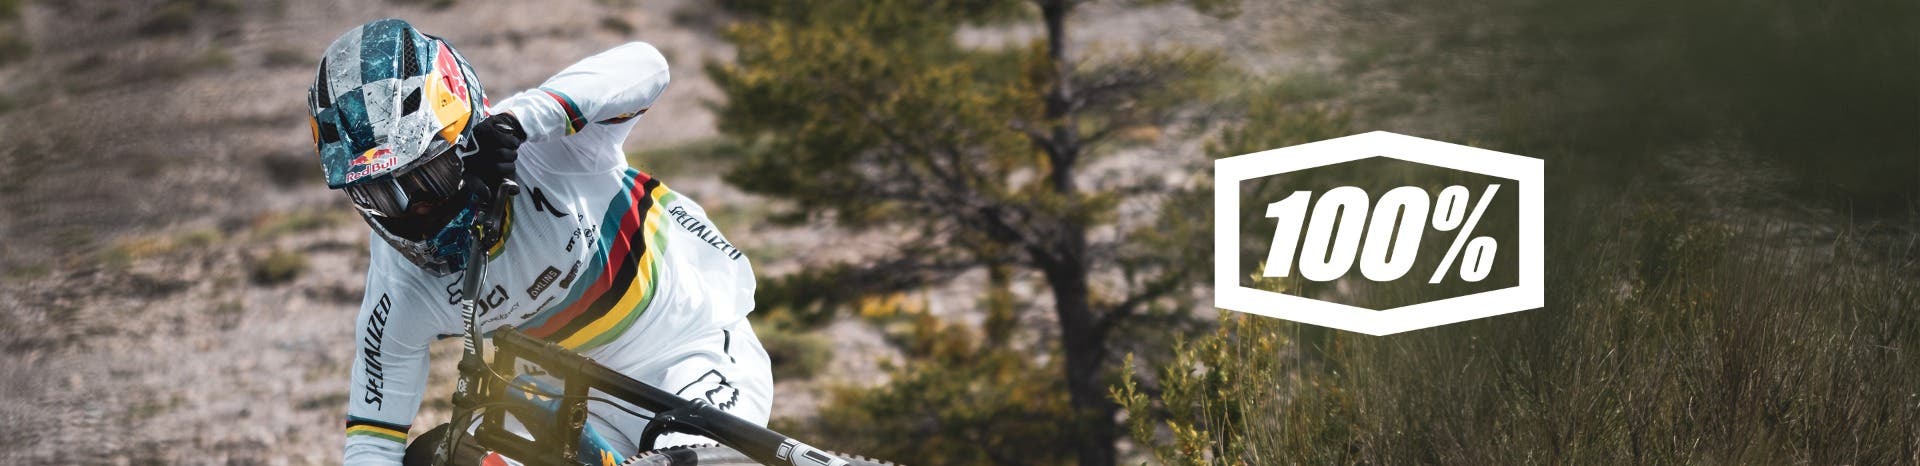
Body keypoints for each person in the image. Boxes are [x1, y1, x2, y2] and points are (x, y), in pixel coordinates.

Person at [305, 18, 772, 465]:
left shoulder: (543, 146)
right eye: (380, 192)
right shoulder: (398, 283)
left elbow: (649, 65)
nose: (414, 207)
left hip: (687, 353)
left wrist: (524, 119)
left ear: (467, 139)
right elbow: (372, 444)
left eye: (429, 175)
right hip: (568, 407)